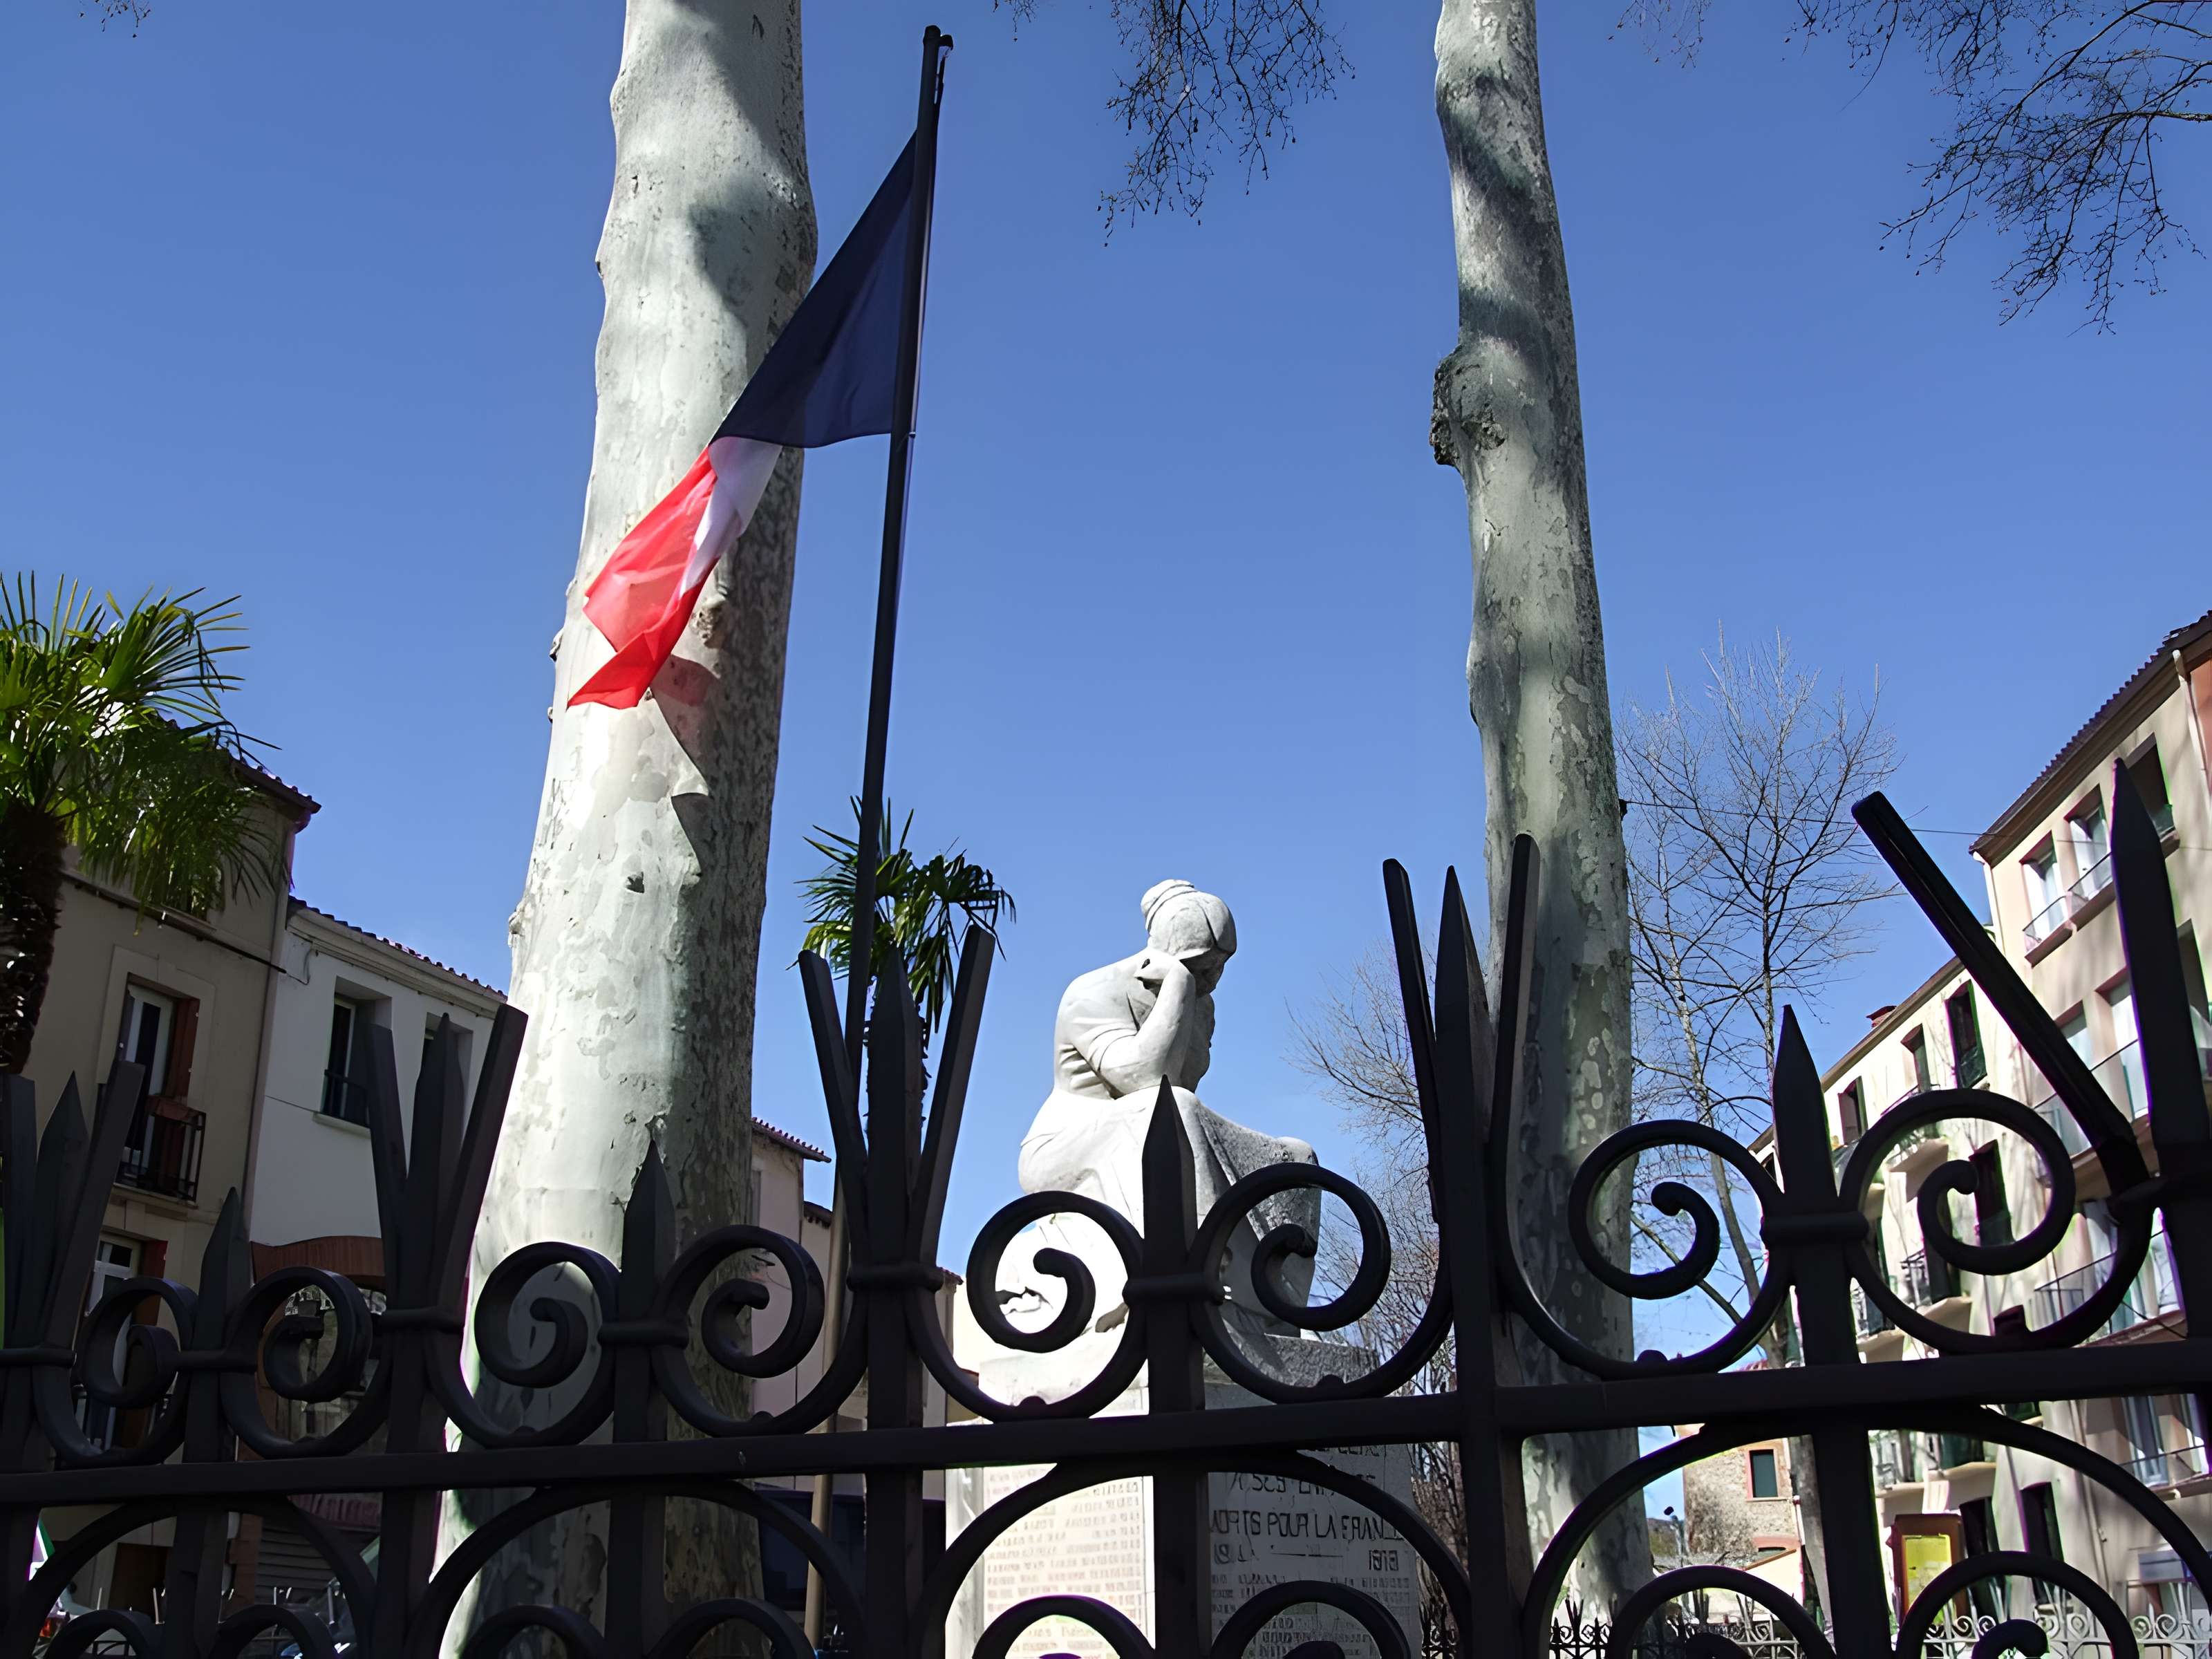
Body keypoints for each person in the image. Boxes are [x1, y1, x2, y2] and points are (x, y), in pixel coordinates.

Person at [1008, 880, 1319, 1338]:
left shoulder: (1203, 1006)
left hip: (1159, 1126)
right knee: (1167, 1108)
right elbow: (1147, 1083)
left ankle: (1278, 1307)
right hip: (1067, 1146)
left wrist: (1189, 993)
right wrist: (1176, 985)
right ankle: (1200, 1275)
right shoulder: (1093, 992)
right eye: (1201, 965)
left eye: (1220, 965)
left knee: (1296, 1157)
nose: (1211, 978)